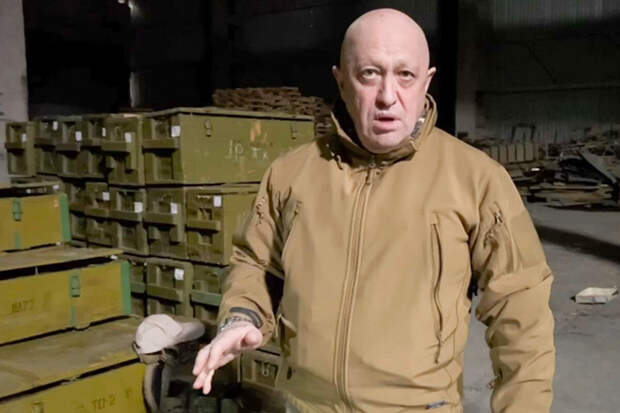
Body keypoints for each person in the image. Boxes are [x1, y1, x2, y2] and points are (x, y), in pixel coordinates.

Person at [193, 8, 555, 413]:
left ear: (426, 82)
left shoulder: (476, 180)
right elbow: (256, 262)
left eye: (405, 75)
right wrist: (242, 317)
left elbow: (521, 311)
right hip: (304, 405)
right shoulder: (291, 174)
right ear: (341, 81)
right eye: (369, 73)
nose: (387, 96)